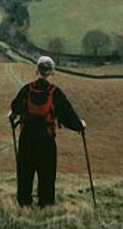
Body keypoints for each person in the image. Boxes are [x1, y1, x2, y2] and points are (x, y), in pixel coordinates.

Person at [9, 55, 86, 208]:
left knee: (25, 173)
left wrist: (12, 117)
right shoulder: (55, 92)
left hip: (27, 139)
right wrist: (80, 125)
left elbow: (15, 108)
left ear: (37, 70)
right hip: (46, 140)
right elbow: (67, 115)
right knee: (47, 174)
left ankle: (24, 204)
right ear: (52, 72)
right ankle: (46, 205)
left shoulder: (26, 89)